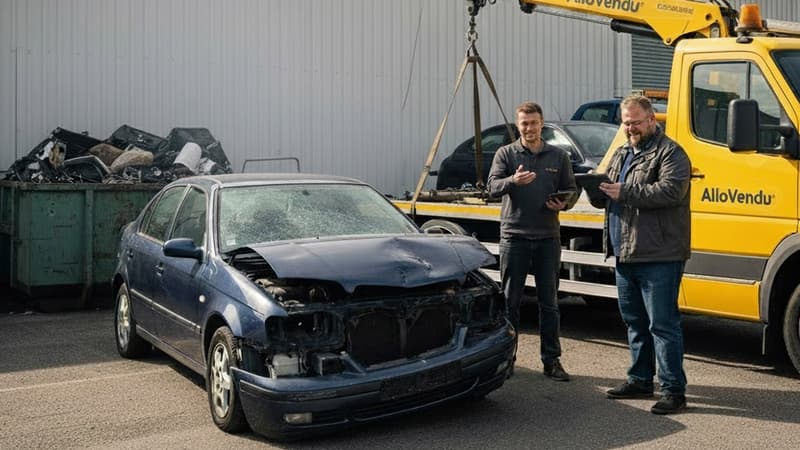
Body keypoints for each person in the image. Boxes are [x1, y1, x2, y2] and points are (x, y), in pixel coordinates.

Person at [591, 95, 691, 414]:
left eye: (635, 122)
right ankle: (640, 379)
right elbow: (610, 196)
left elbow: (671, 191)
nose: (630, 128)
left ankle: (674, 390)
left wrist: (627, 192)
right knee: (634, 321)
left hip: (659, 254)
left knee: (662, 325)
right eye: (625, 122)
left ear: (652, 120)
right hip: (624, 253)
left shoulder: (671, 152)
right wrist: (595, 191)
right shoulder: (621, 153)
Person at [488, 101, 577, 381]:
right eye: (524, 123)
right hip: (514, 237)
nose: (529, 128)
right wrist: (512, 181)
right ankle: (507, 359)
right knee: (510, 303)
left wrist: (563, 203)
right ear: (518, 126)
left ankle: (551, 360)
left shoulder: (558, 156)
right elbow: (491, 188)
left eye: (534, 122)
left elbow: (571, 191)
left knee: (549, 303)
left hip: (547, 238)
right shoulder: (506, 153)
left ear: (542, 124)